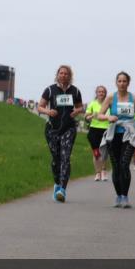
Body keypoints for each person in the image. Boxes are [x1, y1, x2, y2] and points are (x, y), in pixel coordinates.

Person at [97, 72, 135, 208]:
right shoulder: (111, 98)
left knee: (124, 165)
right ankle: (118, 196)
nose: (122, 83)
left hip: (129, 135)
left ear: (128, 83)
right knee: (116, 167)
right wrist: (108, 118)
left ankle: (125, 197)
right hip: (114, 135)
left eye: (124, 81)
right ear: (116, 83)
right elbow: (99, 115)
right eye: (119, 81)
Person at [38, 66, 84, 201]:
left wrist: (77, 111)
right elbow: (40, 106)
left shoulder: (75, 91)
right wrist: (48, 112)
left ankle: (62, 190)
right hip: (52, 129)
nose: (63, 75)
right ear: (57, 75)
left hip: (69, 128)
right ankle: (57, 184)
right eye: (61, 73)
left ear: (70, 76)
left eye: (66, 73)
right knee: (56, 159)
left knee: (65, 157)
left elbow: (80, 107)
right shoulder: (50, 90)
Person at [84, 85, 111, 182]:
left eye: (103, 92)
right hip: (94, 130)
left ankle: (104, 172)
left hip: (106, 130)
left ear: (105, 93)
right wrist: (91, 116)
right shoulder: (92, 104)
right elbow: (86, 117)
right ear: (96, 93)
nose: (101, 93)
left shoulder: (109, 104)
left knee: (104, 152)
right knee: (96, 153)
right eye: (99, 91)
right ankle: (97, 173)